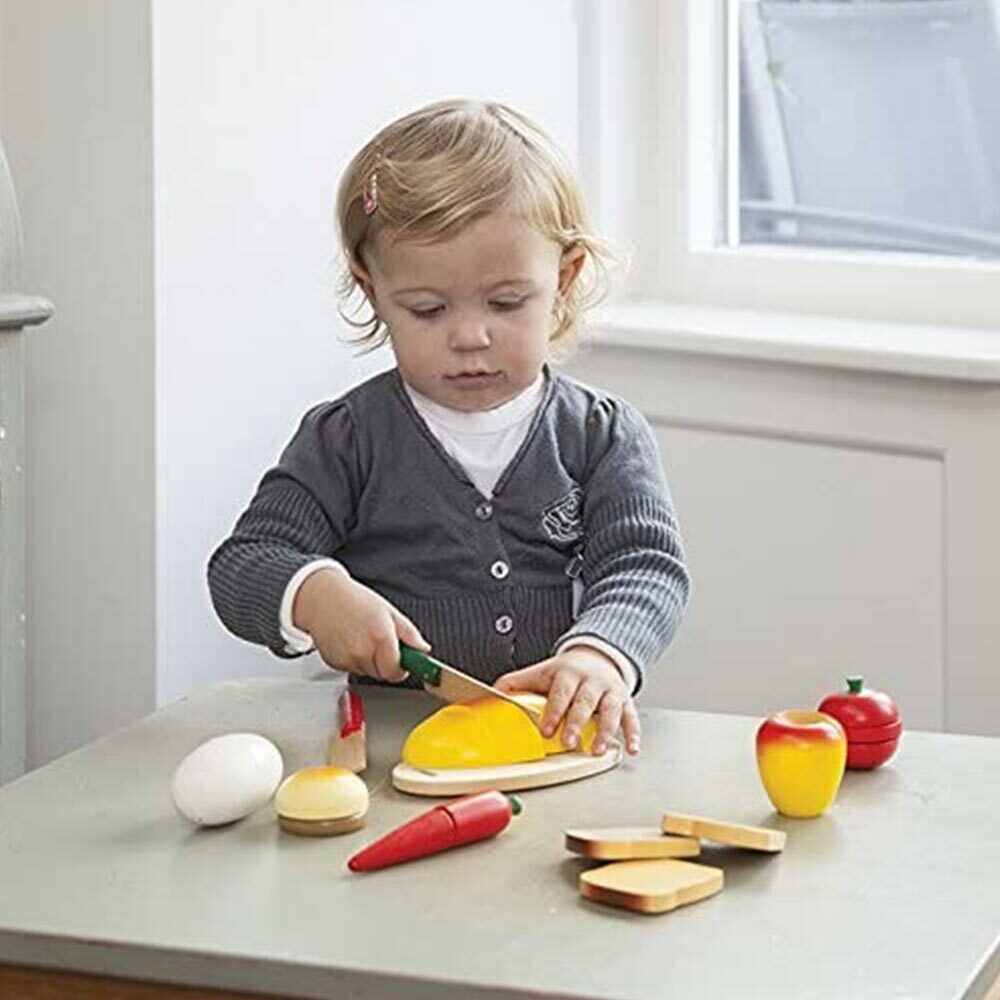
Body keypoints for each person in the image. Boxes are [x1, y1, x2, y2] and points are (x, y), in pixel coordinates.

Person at [208, 99, 690, 759]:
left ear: (565, 277)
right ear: (373, 291)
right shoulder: (346, 438)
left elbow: (645, 566)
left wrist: (603, 653)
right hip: (388, 756)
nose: (470, 337)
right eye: (427, 309)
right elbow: (243, 564)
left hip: (554, 746)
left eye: (506, 302)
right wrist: (316, 595)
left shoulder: (603, 435)